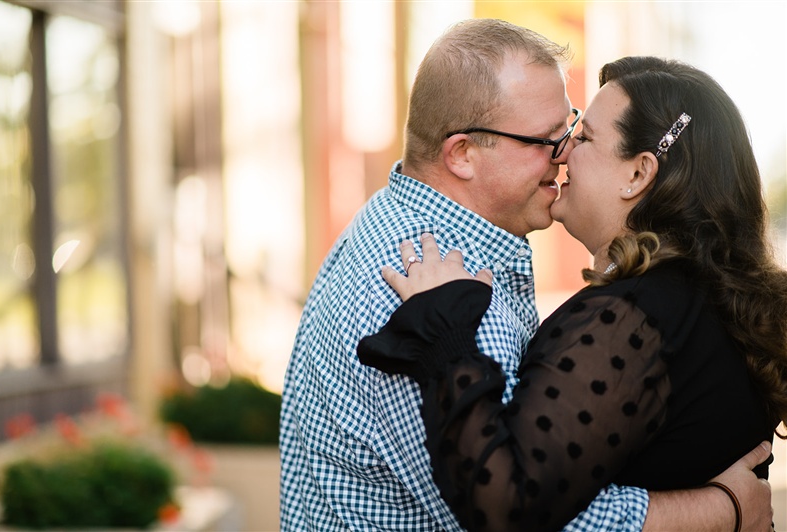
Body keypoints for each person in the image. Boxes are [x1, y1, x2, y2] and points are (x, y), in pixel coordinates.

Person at [280, 18, 773, 531]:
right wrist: (722, 510)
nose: (562, 154)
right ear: (463, 153)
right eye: (547, 138)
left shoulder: (394, 223)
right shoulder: (433, 288)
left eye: (574, 130)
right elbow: (519, 514)